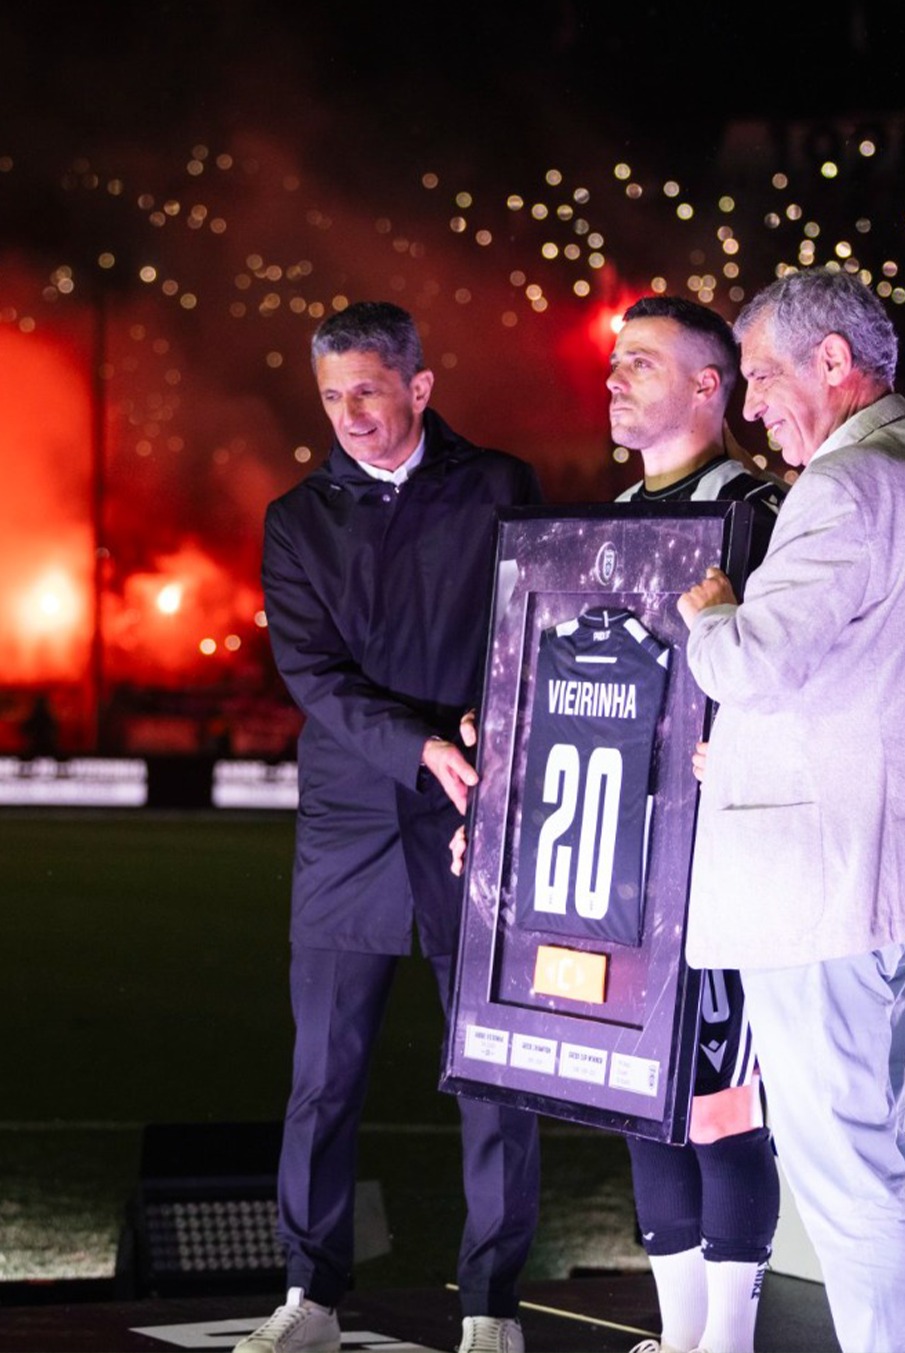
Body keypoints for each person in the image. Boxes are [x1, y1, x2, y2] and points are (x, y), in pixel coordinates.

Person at [677, 269, 905, 1353]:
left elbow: (755, 664)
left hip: (817, 882)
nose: (752, 403)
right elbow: (853, 676)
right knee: (879, 1160)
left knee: (847, 1172)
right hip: (878, 870)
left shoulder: (845, 486)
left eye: (763, 375)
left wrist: (713, 612)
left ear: (834, 362)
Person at [240, 302, 542, 1353]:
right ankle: (309, 1299)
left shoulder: (501, 486)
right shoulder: (297, 518)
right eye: (332, 395)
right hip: (349, 820)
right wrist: (418, 745)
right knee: (323, 1078)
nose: (350, 413)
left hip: (477, 810)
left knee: (496, 1073)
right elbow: (313, 674)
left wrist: (487, 733)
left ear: (419, 386)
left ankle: (493, 1308)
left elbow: (530, 629)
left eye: (367, 389)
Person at [608, 295, 783, 1353]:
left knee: (721, 1102)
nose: (616, 377)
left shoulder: (762, 515)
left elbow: (795, 669)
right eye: (617, 361)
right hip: (626, 860)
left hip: (725, 861)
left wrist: (752, 751)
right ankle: (680, 1339)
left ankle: (730, 1342)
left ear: (708, 386)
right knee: (643, 1091)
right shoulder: (611, 516)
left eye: (642, 361)